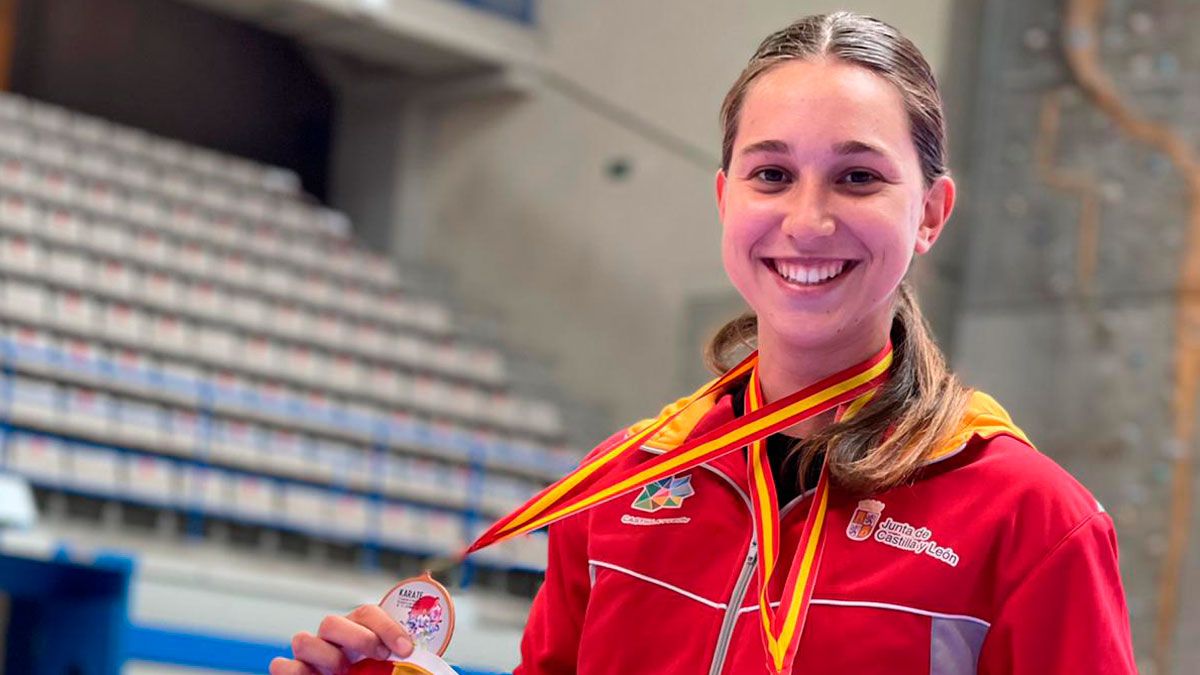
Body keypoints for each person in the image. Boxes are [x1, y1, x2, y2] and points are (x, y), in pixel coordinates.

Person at [270, 12, 1137, 675]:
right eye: (771, 173)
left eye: (859, 176)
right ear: (725, 198)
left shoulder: (1032, 523)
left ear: (932, 213)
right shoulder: (616, 489)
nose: (808, 218)